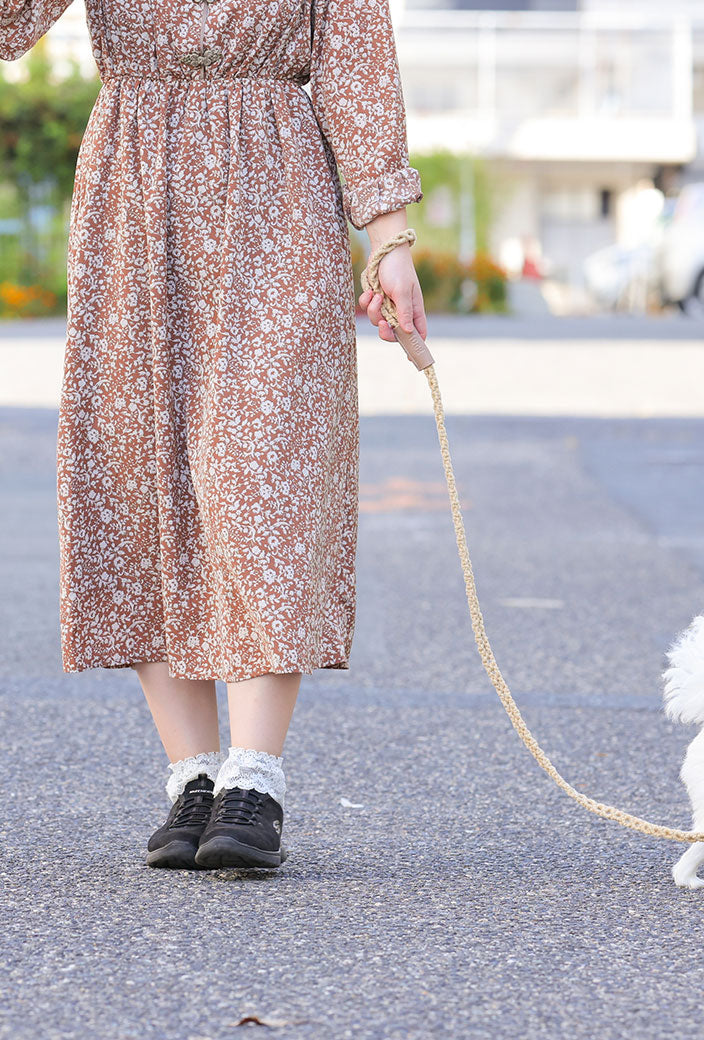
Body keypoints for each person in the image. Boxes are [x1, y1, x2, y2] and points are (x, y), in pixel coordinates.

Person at [1, 0, 426, 869]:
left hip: (275, 187)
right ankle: (194, 778)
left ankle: (256, 777)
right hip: (132, 183)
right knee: (139, 465)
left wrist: (390, 239)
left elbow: (356, 63)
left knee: (268, 463)